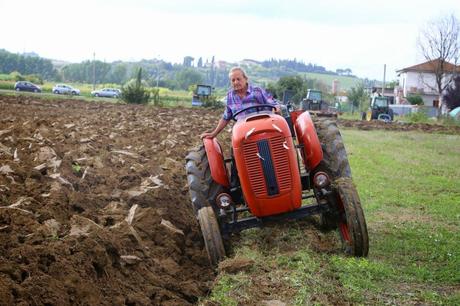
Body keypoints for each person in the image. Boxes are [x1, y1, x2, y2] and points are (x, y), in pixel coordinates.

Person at [200, 67, 279, 139]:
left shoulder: (257, 91)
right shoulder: (230, 96)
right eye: (233, 80)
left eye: (238, 79)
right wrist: (214, 133)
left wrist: (276, 108)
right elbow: (226, 117)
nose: (236, 82)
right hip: (242, 133)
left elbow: (273, 104)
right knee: (235, 147)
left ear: (245, 79)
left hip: (261, 130)